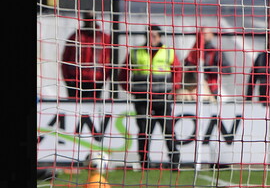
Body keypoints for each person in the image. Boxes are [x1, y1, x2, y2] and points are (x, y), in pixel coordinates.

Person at [116, 25, 183, 170]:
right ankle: (144, 161)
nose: (151, 38)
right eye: (148, 35)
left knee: (168, 129)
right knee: (144, 130)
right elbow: (123, 72)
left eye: (154, 35)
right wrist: (130, 89)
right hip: (143, 98)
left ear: (159, 37)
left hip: (162, 98)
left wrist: (174, 88)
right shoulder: (135, 52)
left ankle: (174, 161)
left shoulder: (168, 52)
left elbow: (177, 70)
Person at [61, 11, 112, 101]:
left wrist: (103, 79)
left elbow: (109, 60)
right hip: (75, 81)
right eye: (87, 19)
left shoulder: (105, 38)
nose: (90, 22)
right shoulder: (74, 37)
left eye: (92, 19)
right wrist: (67, 79)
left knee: (93, 107)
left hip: (96, 81)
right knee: (75, 107)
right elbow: (65, 59)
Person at [183, 27, 232, 98]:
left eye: (205, 34)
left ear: (211, 35)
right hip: (192, 85)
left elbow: (227, 70)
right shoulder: (194, 52)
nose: (202, 37)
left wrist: (208, 69)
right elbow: (186, 65)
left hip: (210, 88)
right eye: (200, 35)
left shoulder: (215, 53)